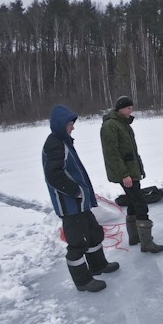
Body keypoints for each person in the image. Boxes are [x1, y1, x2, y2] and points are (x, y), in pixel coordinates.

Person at [42, 105, 119, 292]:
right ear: (61, 125)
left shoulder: (64, 141)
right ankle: (83, 281)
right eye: (70, 124)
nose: (73, 128)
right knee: (77, 244)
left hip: (80, 203)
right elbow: (53, 175)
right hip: (70, 205)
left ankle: (98, 265)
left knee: (93, 234)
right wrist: (75, 191)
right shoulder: (55, 144)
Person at [101, 96, 163, 253]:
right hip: (126, 173)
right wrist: (124, 175)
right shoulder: (110, 126)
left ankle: (135, 237)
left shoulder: (123, 124)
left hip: (132, 170)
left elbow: (131, 151)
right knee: (141, 204)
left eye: (131, 108)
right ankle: (146, 243)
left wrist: (138, 169)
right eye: (128, 108)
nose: (131, 111)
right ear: (120, 109)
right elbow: (112, 154)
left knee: (132, 202)